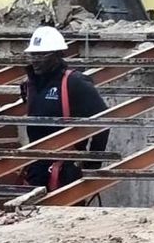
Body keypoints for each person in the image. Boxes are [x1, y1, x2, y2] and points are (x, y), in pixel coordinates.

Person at [19, 25, 109, 190]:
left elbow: (103, 121)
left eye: (42, 55)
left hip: (65, 171)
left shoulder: (74, 82)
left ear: (57, 55)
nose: (36, 60)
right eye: (33, 55)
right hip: (36, 167)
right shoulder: (31, 84)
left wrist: (93, 164)